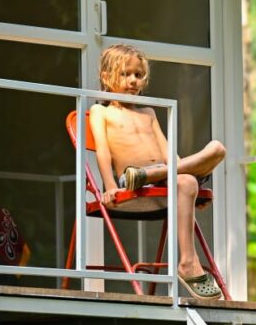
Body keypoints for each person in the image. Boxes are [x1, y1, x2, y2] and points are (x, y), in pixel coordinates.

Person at [89, 43, 226, 301]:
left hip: (158, 176)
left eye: (138, 75)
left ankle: (187, 262)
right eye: (125, 74)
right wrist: (108, 186)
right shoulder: (101, 112)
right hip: (130, 182)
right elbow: (103, 152)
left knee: (216, 150)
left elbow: (169, 155)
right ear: (107, 77)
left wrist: (192, 189)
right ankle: (188, 264)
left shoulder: (148, 113)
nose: (133, 80)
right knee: (188, 177)